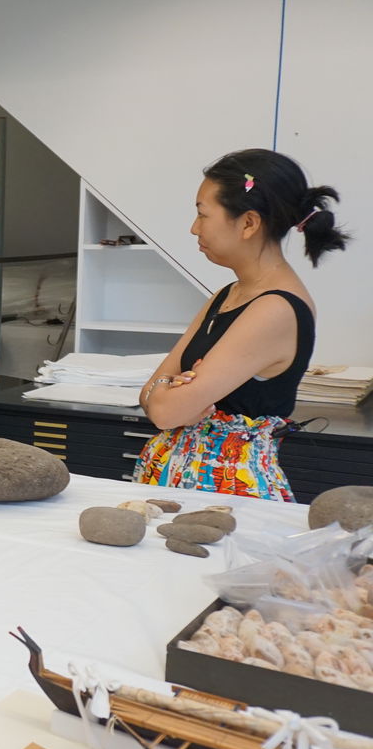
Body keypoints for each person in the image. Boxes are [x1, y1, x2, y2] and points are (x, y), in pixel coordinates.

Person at [133, 149, 348, 499]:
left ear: (248, 223)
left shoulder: (275, 309)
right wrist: (167, 388)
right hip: (184, 483)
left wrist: (170, 391)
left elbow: (165, 410)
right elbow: (149, 398)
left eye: (203, 215)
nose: (194, 228)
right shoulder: (228, 294)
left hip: (229, 493)